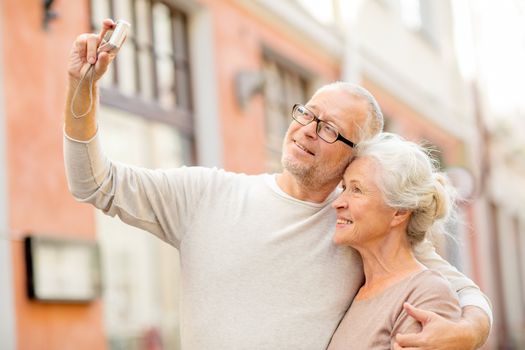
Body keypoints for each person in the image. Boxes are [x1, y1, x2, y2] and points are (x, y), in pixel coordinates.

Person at [63, 19, 491, 349]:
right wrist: (81, 91)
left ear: (353, 158)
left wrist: (469, 331)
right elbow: (95, 184)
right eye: (307, 113)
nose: (307, 129)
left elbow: (460, 291)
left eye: (329, 129)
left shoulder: (357, 227)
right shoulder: (205, 195)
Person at [327, 133, 463, 349]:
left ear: (399, 212)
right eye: (344, 188)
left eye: (357, 189)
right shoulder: (354, 290)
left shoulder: (427, 294)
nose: (338, 202)